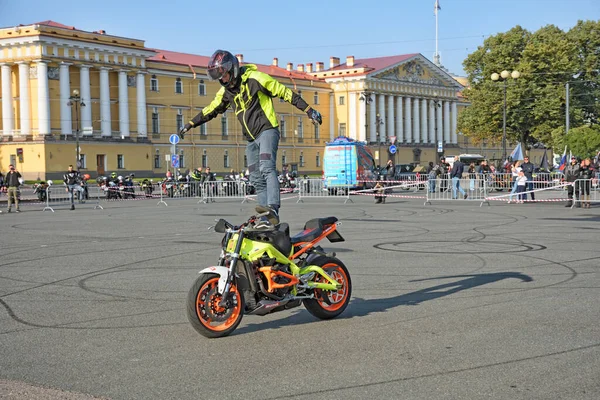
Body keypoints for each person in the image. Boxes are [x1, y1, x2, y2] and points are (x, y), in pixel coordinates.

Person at [178, 49, 322, 229]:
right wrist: (190, 124)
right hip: (251, 139)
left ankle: (273, 208)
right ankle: (265, 219)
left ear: (233, 69)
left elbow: (283, 91)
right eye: (219, 78)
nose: (222, 81)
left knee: (267, 167)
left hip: (267, 130)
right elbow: (211, 109)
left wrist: (308, 110)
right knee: (255, 177)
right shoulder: (226, 92)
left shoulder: (256, 78)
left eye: (223, 76)